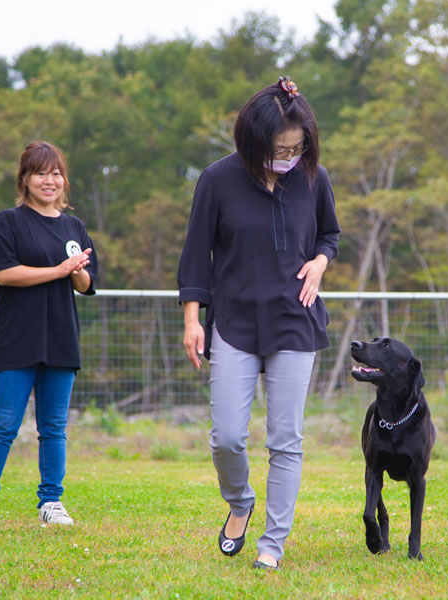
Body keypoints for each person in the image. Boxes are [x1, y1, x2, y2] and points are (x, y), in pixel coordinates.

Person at [177, 77, 340, 570]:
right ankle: (240, 502)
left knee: (285, 439)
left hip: (295, 318)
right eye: (279, 149)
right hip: (234, 320)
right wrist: (192, 319)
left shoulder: (314, 178)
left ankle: (273, 543)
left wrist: (320, 261)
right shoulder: (217, 180)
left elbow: (329, 234)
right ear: (252, 142)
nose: (288, 157)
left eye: (296, 148)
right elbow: (195, 256)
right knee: (226, 436)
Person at [0, 140, 98, 528]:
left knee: (54, 427)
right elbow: (5, 273)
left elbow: (87, 284)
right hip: (15, 338)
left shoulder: (74, 226)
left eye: (56, 173)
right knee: (4, 424)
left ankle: (51, 502)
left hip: (60, 338)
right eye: (40, 172)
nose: (49, 180)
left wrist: (74, 270)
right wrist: (58, 270)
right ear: (25, 179)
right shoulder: (7, 222)